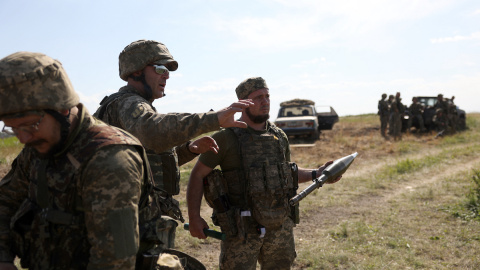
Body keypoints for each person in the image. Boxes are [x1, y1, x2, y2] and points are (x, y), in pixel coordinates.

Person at [0, 52, 178, 269]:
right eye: (12, 127)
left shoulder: (110, 160)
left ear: (62, 109)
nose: (22, 137)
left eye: (29, 125)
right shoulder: (39, 145)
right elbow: (5, 203)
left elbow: (113, 263)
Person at [93, 39, 253, 248]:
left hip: (137, 219)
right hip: (128, 224)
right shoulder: (127, 103)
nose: (166, 75)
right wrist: (213, 119)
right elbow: (152, 131)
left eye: (168, 70)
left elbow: (149, 161)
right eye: (160, 68)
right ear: (135, 71)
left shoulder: (134, 106)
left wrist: (189, 149)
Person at [186, 77, 342, 270]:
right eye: (258, 97)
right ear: (243, 103)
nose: (265, 101)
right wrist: (194, 217)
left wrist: (317, 174)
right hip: (242, 229)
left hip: (279, 226)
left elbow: (286, 174)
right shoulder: (225, 138)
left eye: (267, 96)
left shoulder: (279, 136)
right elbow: (197, 175)